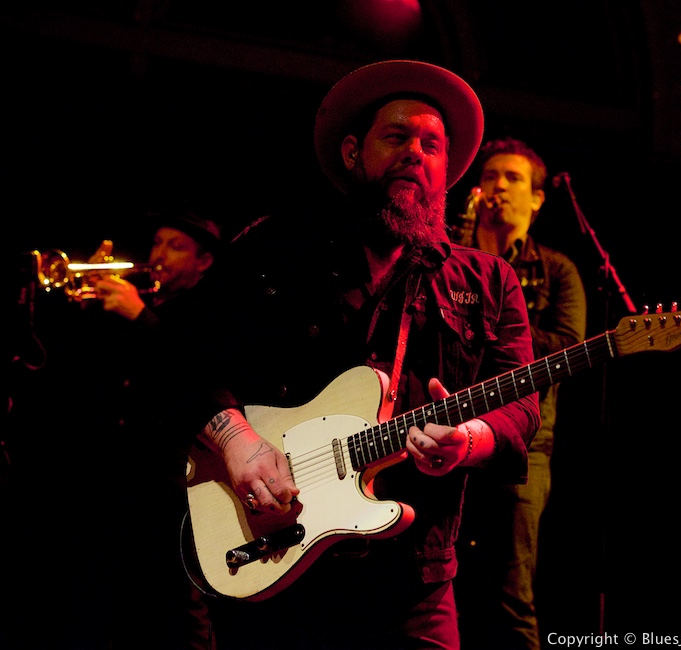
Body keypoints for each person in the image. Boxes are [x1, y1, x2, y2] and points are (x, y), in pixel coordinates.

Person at [176, 60, 541, 650]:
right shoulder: (277, 246)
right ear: (353, 152)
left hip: (415, 582)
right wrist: (239, 444)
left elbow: (521, 403)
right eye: (396, 137)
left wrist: (468, 439)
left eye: (432, 144)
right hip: (278, 555)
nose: (415, 153)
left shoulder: (489, 281)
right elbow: (186, 359)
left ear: (447, 168)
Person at [0, 207, 220, 650]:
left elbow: (195, 376)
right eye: (157, 242)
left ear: (204, 262)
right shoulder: (143, 305)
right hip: (120, 479)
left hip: (178, 485)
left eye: (176, 246)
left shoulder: (209, 310)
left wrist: (140, 317)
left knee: (179, 609)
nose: (158, 254)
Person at [452, 137, 587, 650]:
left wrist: (495, 326)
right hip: (436, 432)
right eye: (489, 177)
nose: (497, 187)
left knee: (509, 596)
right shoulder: (450, 253)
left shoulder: (558, 270)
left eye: (511, 179)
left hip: (521, 448)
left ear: (536, 198)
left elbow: (566, 347)